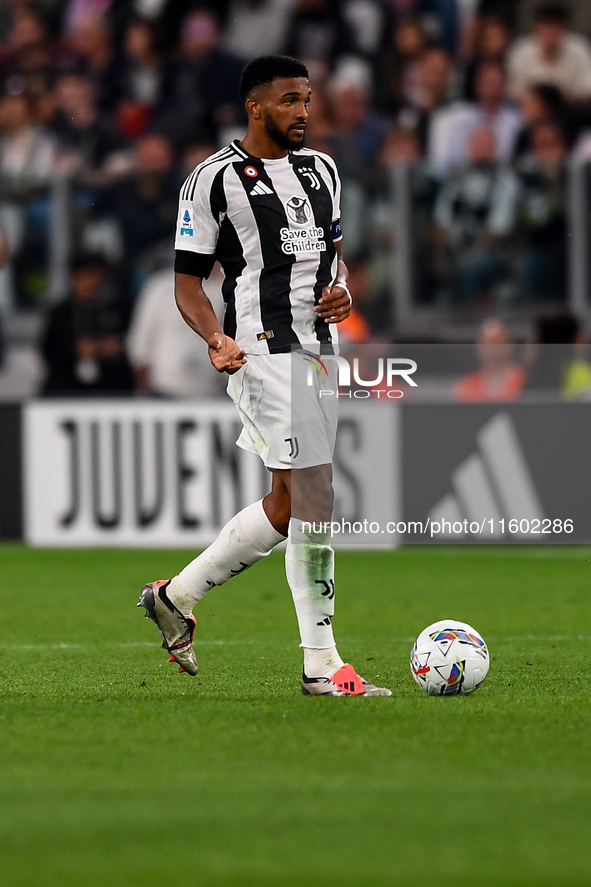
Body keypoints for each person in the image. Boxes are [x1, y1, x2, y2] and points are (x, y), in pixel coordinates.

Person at [137, 54, 391, 697]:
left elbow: (332, 263)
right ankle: (322, 665)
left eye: (306, 99)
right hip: (261, 349)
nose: (302, 111)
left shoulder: (323, 170)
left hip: (317, 350)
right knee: (315, 498)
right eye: (288, 101)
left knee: (287, 505)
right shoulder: (212, 180)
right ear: (255, 107)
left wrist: (343, 293)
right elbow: (187, 283)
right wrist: (215, 338)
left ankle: (176, 596)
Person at [507, 3, 591, 103]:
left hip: (570, 112)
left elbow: (586, 92)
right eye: (547, 25)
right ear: (536, 27)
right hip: (528, 111)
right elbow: (515, 93)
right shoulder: (520, 51)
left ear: (566, 28)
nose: (551, 31)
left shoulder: (580, 49)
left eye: (557, 26)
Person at [455, 317, 525, 401]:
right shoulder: (467, 385)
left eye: (498, 341)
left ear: (510, 344)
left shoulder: (523, 381)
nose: (493, 347)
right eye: (487, 342)